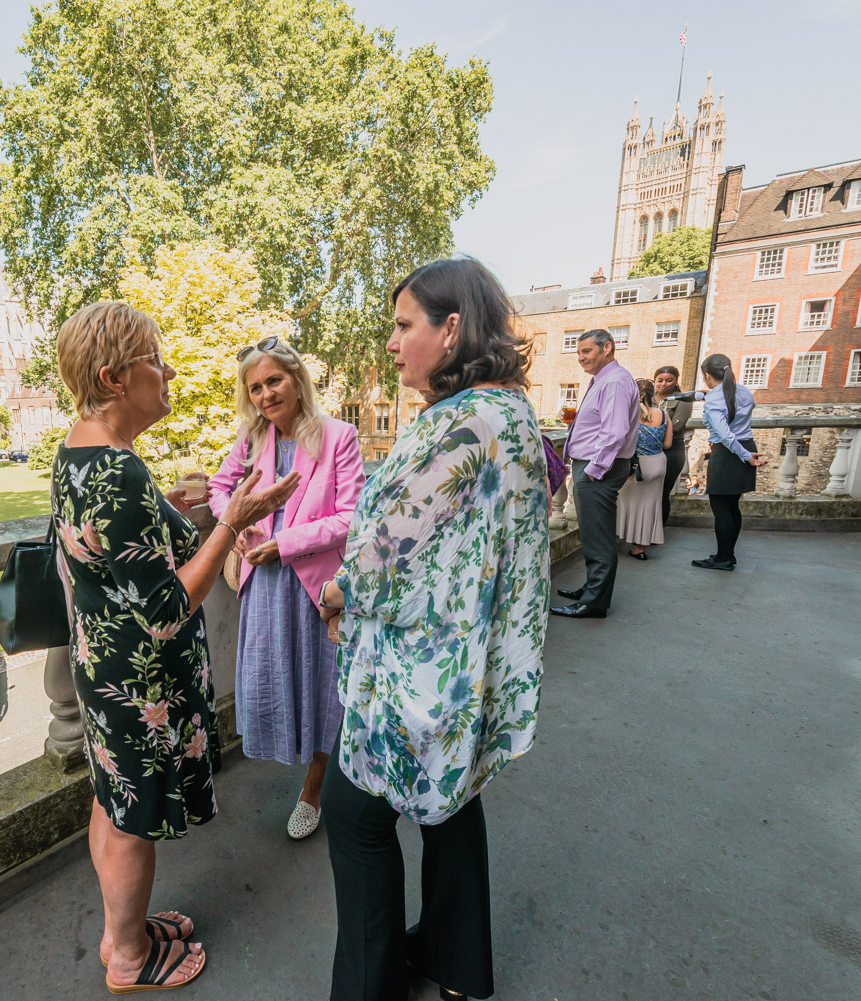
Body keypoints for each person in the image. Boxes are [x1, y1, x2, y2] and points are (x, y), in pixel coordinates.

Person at [315, 257, 548, 1001]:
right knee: (449, 804)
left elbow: (382, 553)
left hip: (416, 672)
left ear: (451, 329)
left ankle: (367, 987)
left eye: (403, 325)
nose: (391, 342)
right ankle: (457, 962)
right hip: (471, 666)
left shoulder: (456, 426)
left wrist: (337, 591)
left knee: (353, 819)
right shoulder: (511, 412)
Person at [51, 301, 300, 992]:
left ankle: (118, 932)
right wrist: (237, 520)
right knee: (132, 820)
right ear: (112, 375)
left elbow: (127, 550)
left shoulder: (83, 449)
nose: (167, 370)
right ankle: (129, 957)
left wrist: (191, 505)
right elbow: (165, 609)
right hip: (139, 682)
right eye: (154, 360)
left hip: (101, 669)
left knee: (111, 798)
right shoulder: (120, 473)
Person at [208, 337, 365, 841]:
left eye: (273, 380)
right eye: (255, 387)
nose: (265, 394)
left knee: (324, 689)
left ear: (297, 380)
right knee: (270, 681)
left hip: (314, 588)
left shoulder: (339, 436)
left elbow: (352, 516)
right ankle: (295, 757)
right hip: (262, 585)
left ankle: (314, 790)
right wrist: (237, 526)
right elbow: (218, 490)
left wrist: (284, 542)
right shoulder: (252, 440)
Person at [551, 329, 638, 619]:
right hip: (595, 465)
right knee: (593, 533)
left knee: (598, 536)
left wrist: (593, 470)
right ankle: (591, 589)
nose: (581, 358)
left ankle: (595, 602)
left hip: (598, 467)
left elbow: (614, 433)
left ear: (607, 348)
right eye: (579, 352)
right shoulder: (606, 379)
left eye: (586, 351)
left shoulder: (613, 382)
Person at [693, 353, 766, 571]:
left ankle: (723, 559)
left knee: (721, 509)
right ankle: (728, 554)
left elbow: (725, 435)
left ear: (707, 376)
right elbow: (747, 407)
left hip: (728, 453)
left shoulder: (716, 399)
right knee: (733, 506)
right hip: (746, 444)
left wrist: (745, 456)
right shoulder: (743, 391)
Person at [615, 378, 671, 559]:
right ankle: (640, 549)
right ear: (652, 394)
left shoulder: (629, 414)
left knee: (621, 501)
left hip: (637, 466)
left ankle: (618, 536)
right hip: (658, 463)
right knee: (649, 507)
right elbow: (668, 444)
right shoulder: (664, 414)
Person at [653, 365, 693, 525]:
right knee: (646, 493)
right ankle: (643, 530)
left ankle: (657, 531)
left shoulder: (683, 399)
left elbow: (676, 427)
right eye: (660, 380)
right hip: (648, 451)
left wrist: (646, 429)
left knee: (661, 493)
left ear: (676, 381)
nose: (663, 384)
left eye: (669, 380)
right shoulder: (648, 398)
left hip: (672, 452)